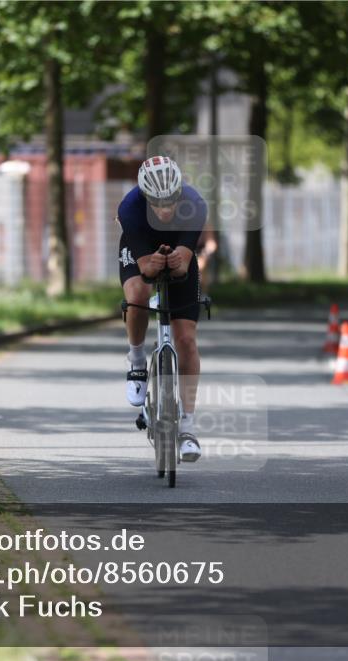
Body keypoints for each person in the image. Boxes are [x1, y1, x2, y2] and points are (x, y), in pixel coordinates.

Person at [117, 156, 206, 463]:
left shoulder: (195, 204)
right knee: (138, 294)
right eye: (157, 202)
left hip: (178, 250)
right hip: (141, 248)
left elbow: (182, 264)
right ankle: (137, 360)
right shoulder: (129, 208)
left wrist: (175, 260)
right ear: (145, 196)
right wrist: (152, 264)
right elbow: (144, 268)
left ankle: (188, 426)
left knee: (186, 339)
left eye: (170, 201)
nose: (166, 209)